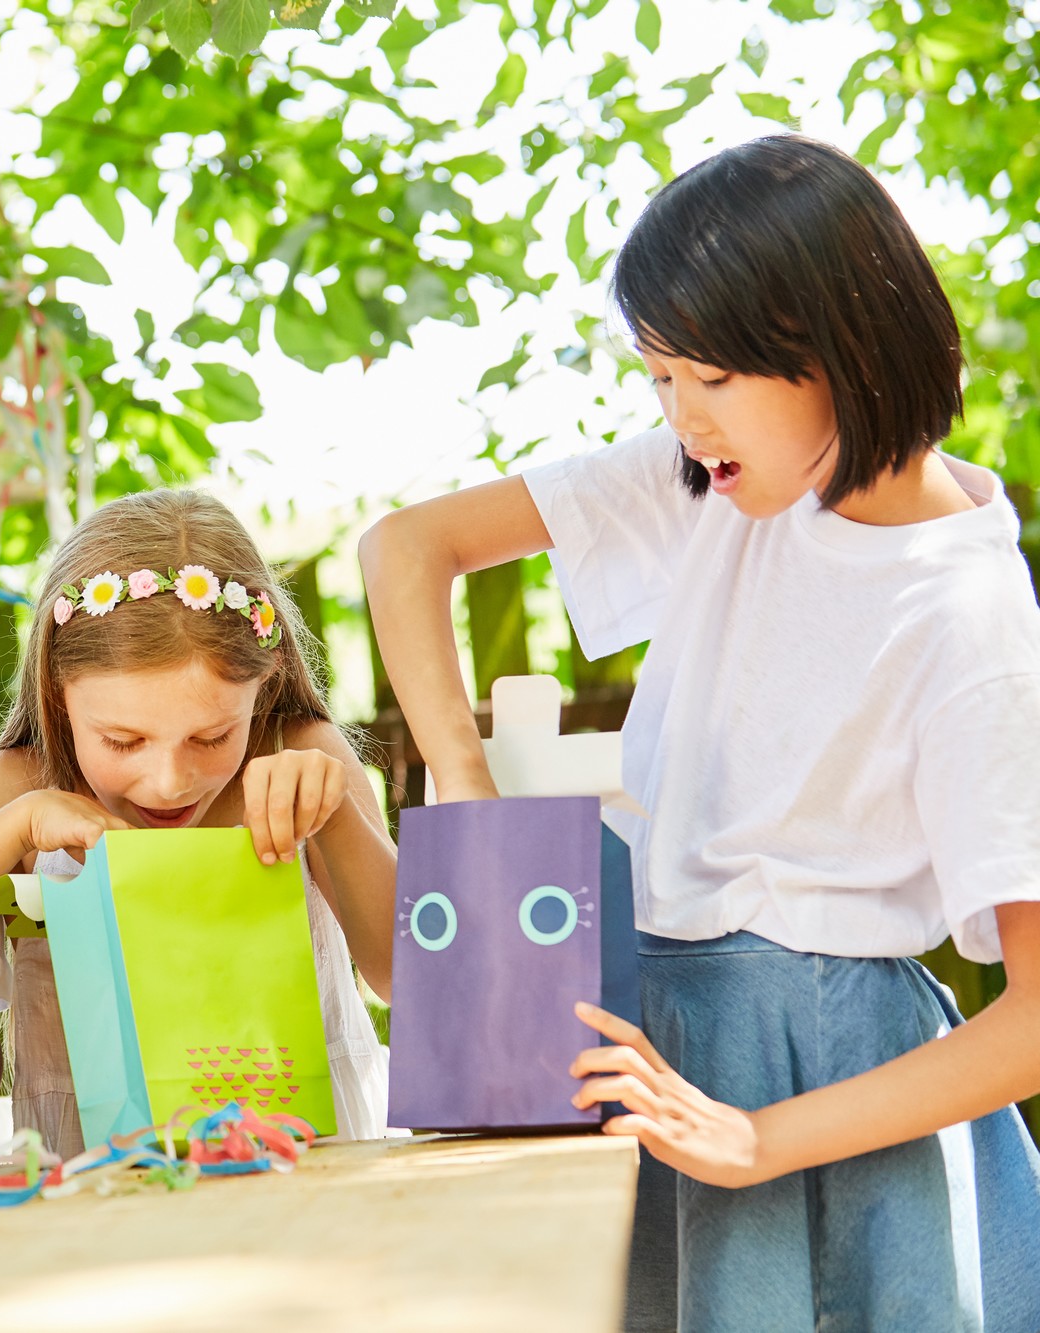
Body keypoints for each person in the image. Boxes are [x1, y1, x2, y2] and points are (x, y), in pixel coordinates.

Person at [361, 135, 1040, 1331]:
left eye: (706, 379)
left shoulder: (967, 616)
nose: (679, 420)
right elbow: (403, 548)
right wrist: (462, 785)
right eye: (658, 378)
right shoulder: (718, 485)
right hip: (649, 1030)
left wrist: (756, 1133)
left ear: (833, 346)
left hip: (824, 1091)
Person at [0, 488, 394, 1156]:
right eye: (124, 742)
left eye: (212, 737)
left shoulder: (302, 756)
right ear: (58, 692)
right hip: (92, 1185)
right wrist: (9, 833)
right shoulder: (15, 789)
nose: (169, 780)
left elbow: (400, 973)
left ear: (267, 680)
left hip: (304, 1168)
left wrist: (336, 819)